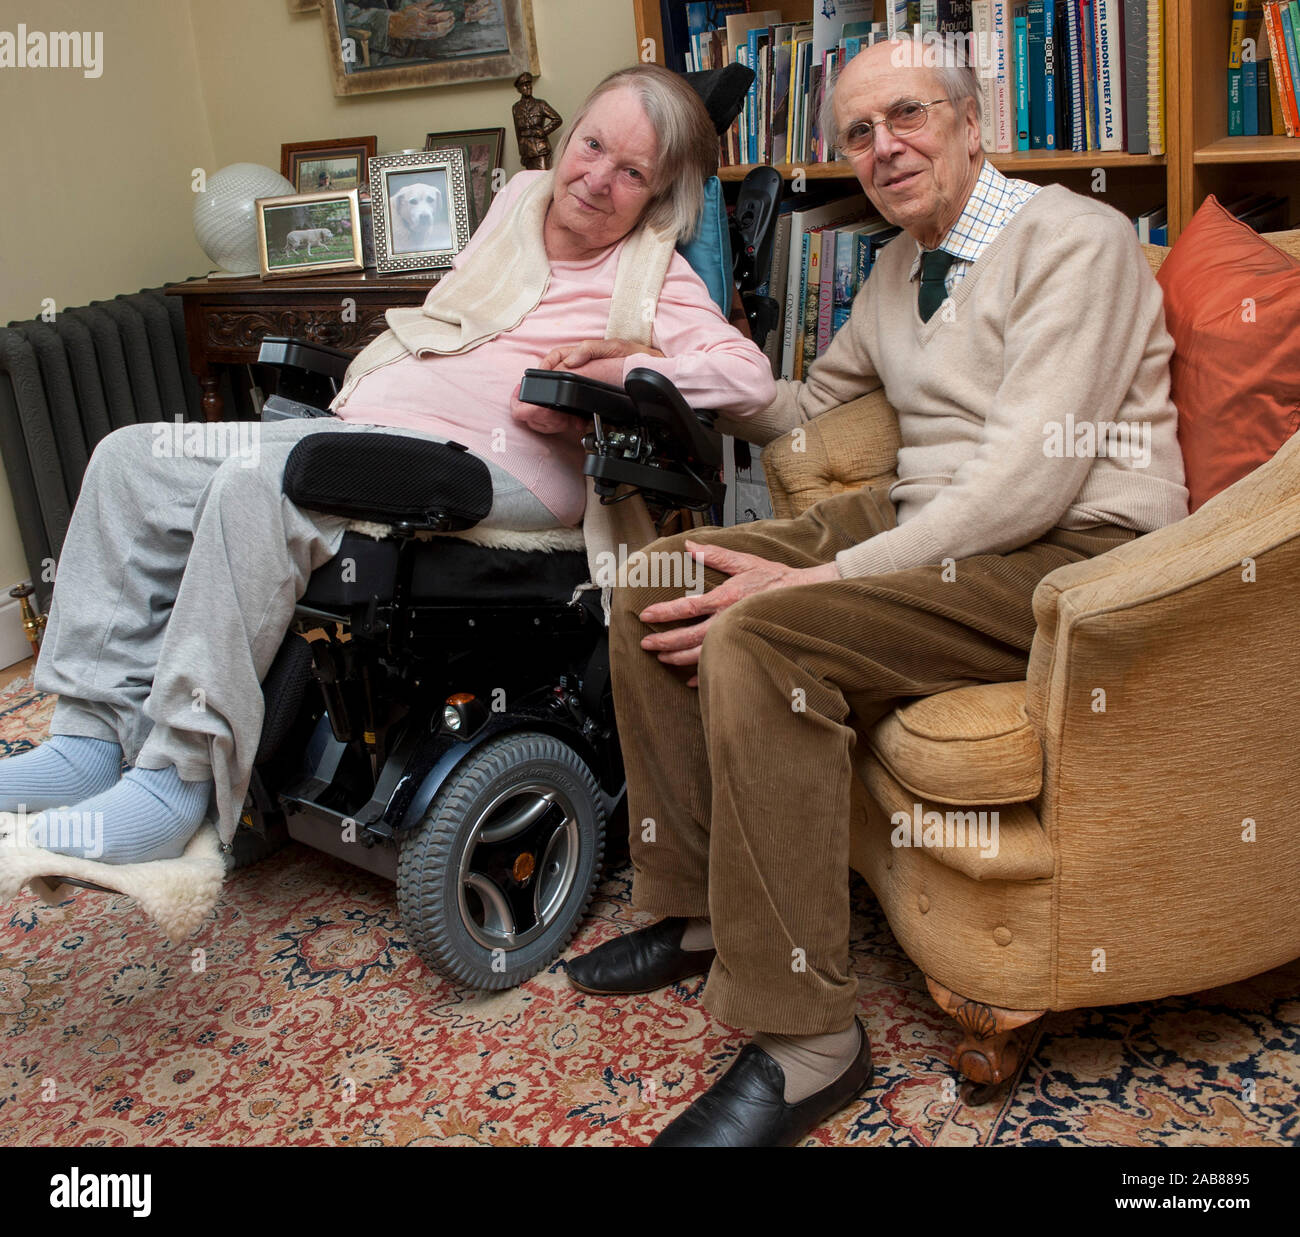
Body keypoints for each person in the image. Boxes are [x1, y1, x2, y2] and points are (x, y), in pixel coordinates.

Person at [566, 34, 1190, 1147]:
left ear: (969, 121)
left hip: (1070, 549)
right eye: (858, 132)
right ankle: (699, 906)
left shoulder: (1074, 240)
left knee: (759, 634)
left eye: (906, 116)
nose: (883, 147)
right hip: (926, 520)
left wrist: (825, 572)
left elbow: (1025, 482)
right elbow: (808, 407)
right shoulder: (904, 263)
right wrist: (653, 368)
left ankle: (810, 1041)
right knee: (654, 578)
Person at [0, 64, 774, 869]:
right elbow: (462, 315)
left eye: (632, 173)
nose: (596, 179)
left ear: (657, 196)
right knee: (128, 460)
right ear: (570, 133)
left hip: (482, 465)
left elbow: (749, 381)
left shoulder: (653, 271)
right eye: (592, 145)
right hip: (373, 424)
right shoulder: (521, 199)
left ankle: (176, 778)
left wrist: (617, 370)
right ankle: (89, 739)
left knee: (259, 486)